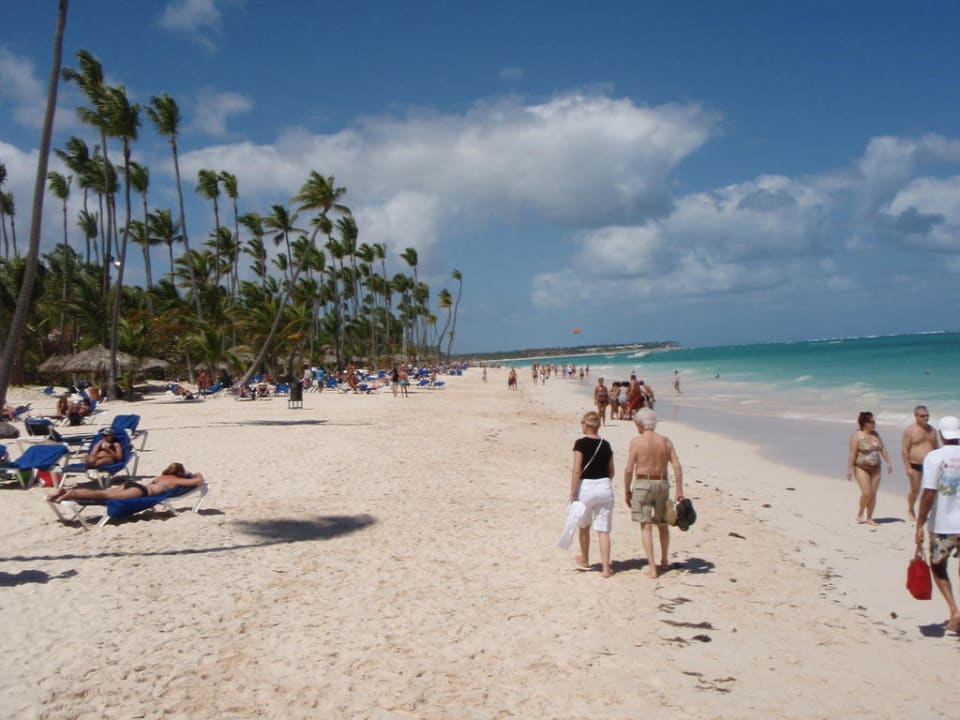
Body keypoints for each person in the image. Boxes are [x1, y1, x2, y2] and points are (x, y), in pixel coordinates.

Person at [623, 408, 684, 579]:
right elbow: (677, 465)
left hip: (643, 482)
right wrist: (679, 489)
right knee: (662, 524)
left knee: (646, 525)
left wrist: (627, 489)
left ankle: (652, 567)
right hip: (662, 483)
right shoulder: (665, 441)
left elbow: (629, 469)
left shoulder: (637, 442)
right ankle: (664, 561)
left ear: (640, 423)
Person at [915, 416, 960, 633]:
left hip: (943, 525)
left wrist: (920, 522)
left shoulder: (934, 457)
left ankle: (954, 609)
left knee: (938, 567)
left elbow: (929, 493)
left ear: (941, 435)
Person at [570, 411, 615, 577]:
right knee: (603, 530)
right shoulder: (606, 444)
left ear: (586, 425)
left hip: (586, 487)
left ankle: (585, 559)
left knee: (584, 526)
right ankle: (606, 568)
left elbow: (577, 469)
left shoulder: (580, 444)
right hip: (604, 486)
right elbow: (611, 471)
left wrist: (572, 492)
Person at [48, 463, 205, 503]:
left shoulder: (161, 476)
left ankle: (63, 491)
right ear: (179, 473)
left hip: (133, 485)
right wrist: (195, 473)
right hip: (141, 492)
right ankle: (72, 493)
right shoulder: (176, 479)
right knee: (103, 496)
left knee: (104, 492)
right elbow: (199, 480)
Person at [847, 411, 893, 526]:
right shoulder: (857, 436)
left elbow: (883, 449)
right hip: (861, 468)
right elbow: (852, 454)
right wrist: (849, 469)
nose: (874, 423)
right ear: (864, 423)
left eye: (874, 421)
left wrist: (888, 462)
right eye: (872, 421)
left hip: (876, 468)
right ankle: (861, 511)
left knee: (873, 493)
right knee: (867, 492)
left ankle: (869, 517)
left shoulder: (876, 434)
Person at [902, 405, 940, 521]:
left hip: (931, 465)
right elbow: (905, 450)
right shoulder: (910, 431)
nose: (926, 418)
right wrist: (908, 466)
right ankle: (910, 509)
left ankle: (929, 512)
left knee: (931, 490)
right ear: (916, 416)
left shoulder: (932, 430)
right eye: (922, 416)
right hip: (915, 465)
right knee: (915, 490)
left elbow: (936, 447)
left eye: (927, 415)